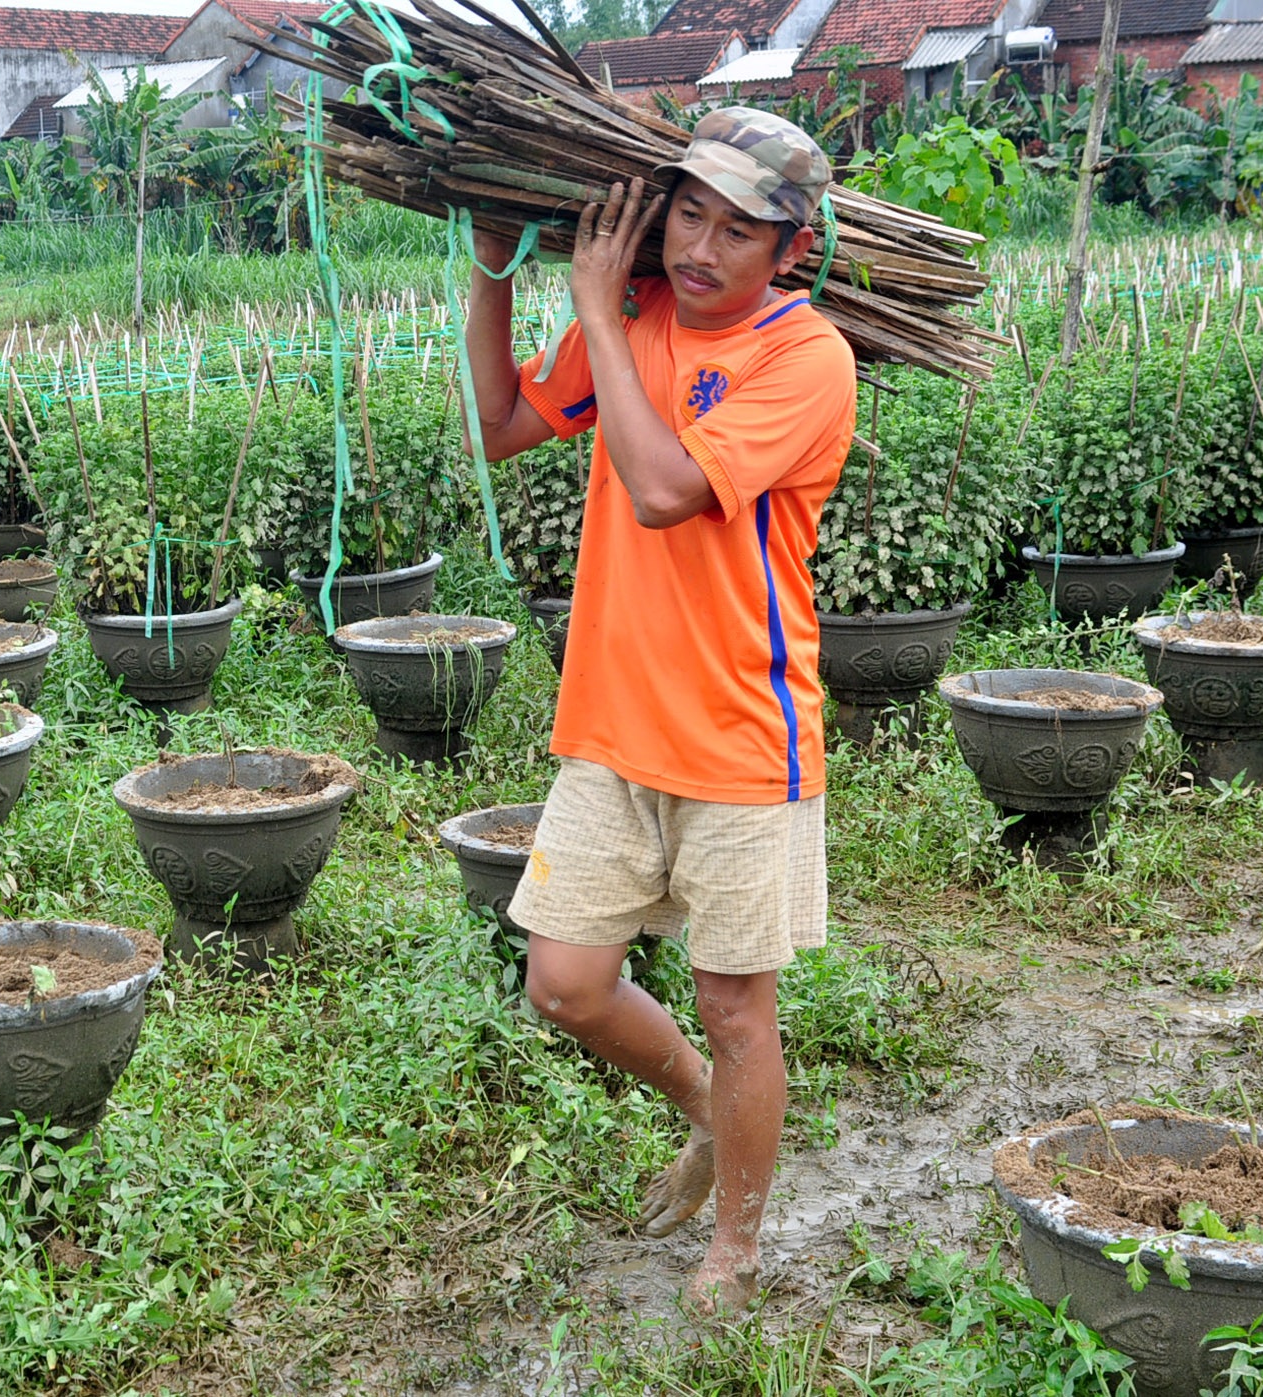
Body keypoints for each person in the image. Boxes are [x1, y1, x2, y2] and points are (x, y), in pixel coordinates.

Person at [465, 109, 856, 1316]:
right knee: (564, 981)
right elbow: (503, 426)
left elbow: (662, 488)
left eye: (740, 229)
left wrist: (591, 304)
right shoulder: (635, 320)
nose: (702, 246)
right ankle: (702, 1106)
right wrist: (489, 271)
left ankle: (736, 1244)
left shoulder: (807, 357)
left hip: (746, 733)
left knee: (738, 1003)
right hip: (613, 721)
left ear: (788, 250)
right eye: (689, 212)